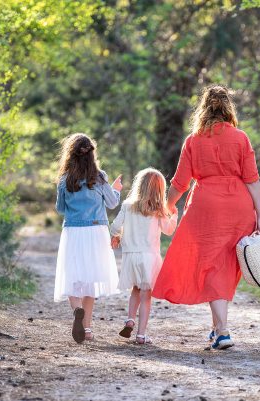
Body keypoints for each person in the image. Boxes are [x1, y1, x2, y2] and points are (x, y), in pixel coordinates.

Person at [152, 84, 260, 350]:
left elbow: (180, 182)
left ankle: (222, 331)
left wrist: (166, 206)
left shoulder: (193, 140)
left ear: (203, 108)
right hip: (238, 208)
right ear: (229, 108)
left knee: (212, 267)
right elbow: (252, 180)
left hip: (205, 208)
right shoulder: (240, 138)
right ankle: (218, 330)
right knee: (223, 266)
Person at [54, 133, 123, 344]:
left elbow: (60, 209)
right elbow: (112, 203)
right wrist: (116, 190)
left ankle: (77, 311)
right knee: (91, 280)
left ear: (70, 155)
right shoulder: (100, 177)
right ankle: (89, 330)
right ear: (91, 155)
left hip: (74, 232)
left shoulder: (65, 180)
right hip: (96, 232)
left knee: (73, 277)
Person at [110, 168, 178, 344]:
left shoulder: (127, 206)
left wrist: (116, 236)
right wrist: (175, 216)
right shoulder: (159, 209)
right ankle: (141, 335)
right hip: (149, 257)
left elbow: (116, 225)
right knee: (146, 295)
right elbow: (169, 230)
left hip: (131, 257)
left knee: (135, 289)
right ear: (160, 190)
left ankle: (130, 319)